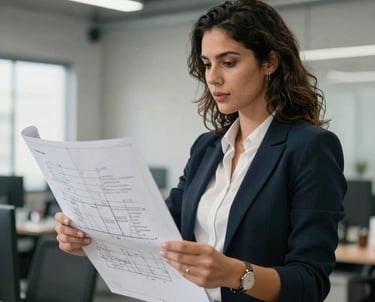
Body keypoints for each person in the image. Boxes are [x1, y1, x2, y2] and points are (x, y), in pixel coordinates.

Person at [54, 0, 346, 301]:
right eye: (207, 64)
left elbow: (310, 282)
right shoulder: (207, 147)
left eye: (229, 62)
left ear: (269, 62)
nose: (213, 77)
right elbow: (160, 234)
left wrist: (235, 274)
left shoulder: (310, 147)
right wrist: (90, 239)